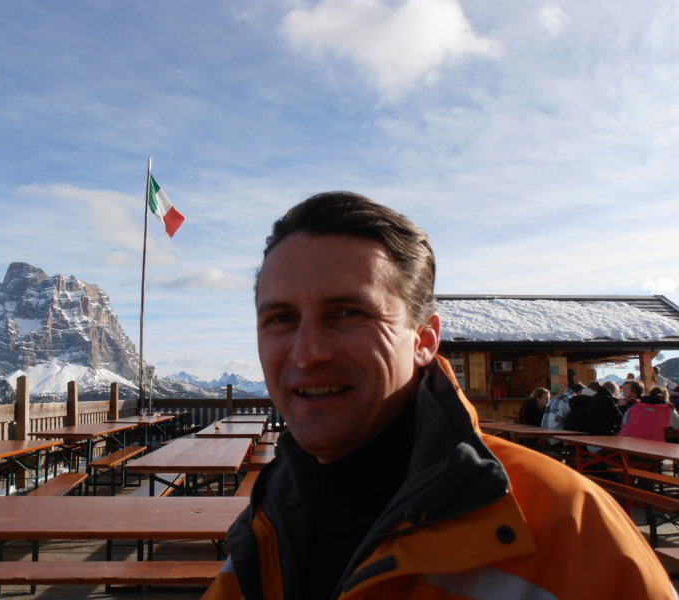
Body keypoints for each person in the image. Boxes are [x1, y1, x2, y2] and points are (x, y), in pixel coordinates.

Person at [202, 192, 674, 600]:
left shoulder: (574, 529)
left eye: (348, 312)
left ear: (424, 340)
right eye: (281, 318)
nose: (307, 353)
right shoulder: (266, 525)